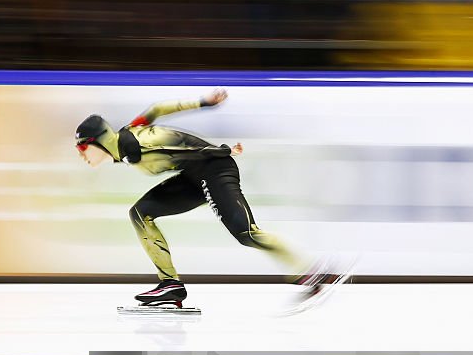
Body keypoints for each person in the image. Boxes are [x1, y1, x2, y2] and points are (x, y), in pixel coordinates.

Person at [75, 88, 339, 308]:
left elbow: (177, 143)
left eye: (82, 148)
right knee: (139, 214)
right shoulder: (128, 140)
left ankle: (311, 272)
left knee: (247, 233)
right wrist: (202, 102)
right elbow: (156, 109)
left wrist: (221, 150)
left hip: (215, 168)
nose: (81, 155)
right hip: (192, 176)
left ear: (99, 142)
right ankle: (171, 285)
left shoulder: (141, 143)